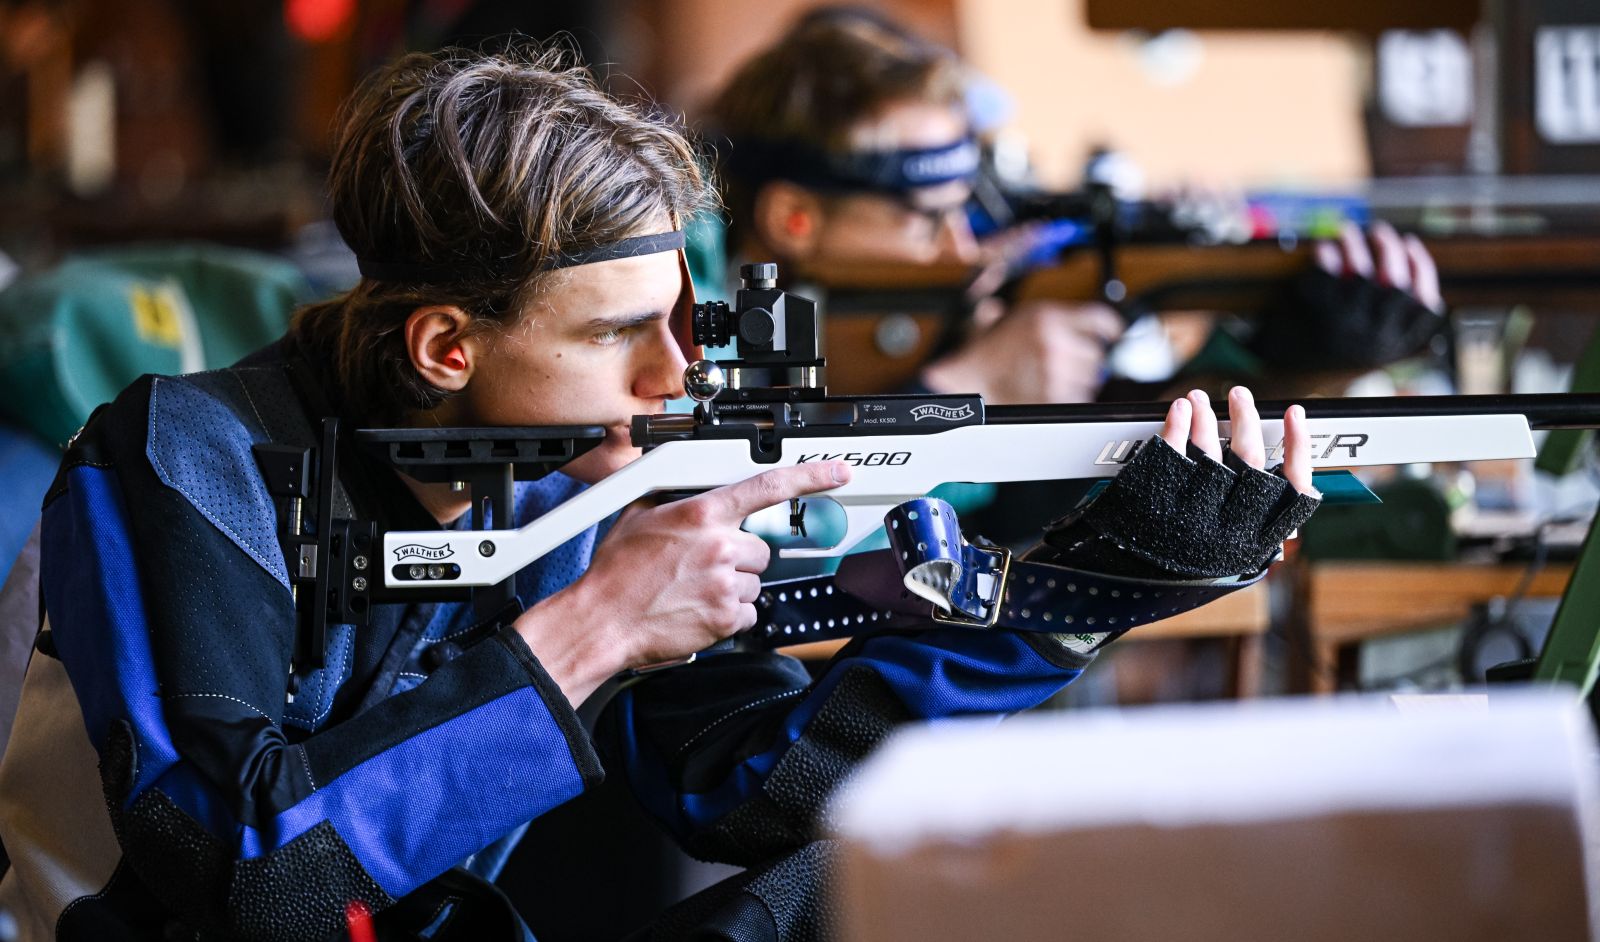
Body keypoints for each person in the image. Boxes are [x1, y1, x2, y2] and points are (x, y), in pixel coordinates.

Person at [0, 45, 1317, 942]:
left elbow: (757, 790)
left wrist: (1090, 588)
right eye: (617, 332)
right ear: (450, 348)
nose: (675, 368)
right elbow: (253, 884)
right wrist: (597, 626)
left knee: (864, 885)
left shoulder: (561, 485)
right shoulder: (184, 457)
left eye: (682, 320)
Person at [709, 9, 1446, 405]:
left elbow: (1073, 495)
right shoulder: (682, 301)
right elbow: (768, 535)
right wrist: (969, 388)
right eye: (923, 216)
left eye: (966, 210)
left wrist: (1286, 366)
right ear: (793, 221)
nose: (959, 245)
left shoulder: (943, 313)